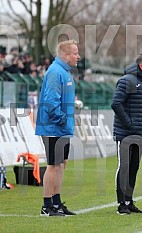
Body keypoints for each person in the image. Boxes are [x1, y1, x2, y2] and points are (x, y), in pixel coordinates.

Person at [35, 40, 80, 217]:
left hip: (62, 128)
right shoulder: (55, 72)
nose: (78, 56)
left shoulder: (66, 73)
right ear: (65, 55)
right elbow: (51, 101)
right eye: (75, 53)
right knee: (53, 165)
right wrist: (61, 119)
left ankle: (56, 203)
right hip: (53, 127)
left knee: (61, 165)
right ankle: (46, 206)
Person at [111, 53, 142, 215]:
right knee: (124, 166)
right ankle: (121, 203)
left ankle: (129, 201)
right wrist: (129, 124)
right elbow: (116, 103)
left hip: (140, 134)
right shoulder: (127, 80)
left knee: (134, 168)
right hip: (125, 134)